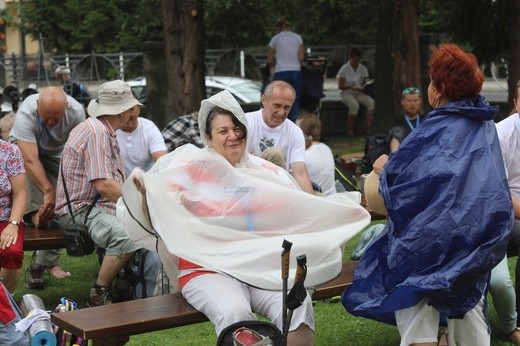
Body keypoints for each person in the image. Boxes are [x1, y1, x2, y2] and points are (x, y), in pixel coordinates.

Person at [118, 90, 371, 345]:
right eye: (223, 130)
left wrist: (337, 213)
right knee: (235, 315)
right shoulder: (191, 169)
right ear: (208, 137)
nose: (232, 136)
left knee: (298, 306)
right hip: (207, 269)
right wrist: (146, 196)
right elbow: (158, 202)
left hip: (261, 265)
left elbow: (298, 207)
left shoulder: (264, 171)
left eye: (237, 128)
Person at [342, 43, 512, 345]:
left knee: (416, 300)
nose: (428, 88)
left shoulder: (436, 129)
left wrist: (384, 168)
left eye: (431, 81)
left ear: (441, 87)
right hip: (473, 246)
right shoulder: (482, 123)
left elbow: (408, 186)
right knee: (468, 311)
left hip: (427, 246)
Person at [54, 80, 142, 307]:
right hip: (79, 210)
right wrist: (137, 207)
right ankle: (99, 292)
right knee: (128, 235)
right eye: (131, 109)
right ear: (122, 111)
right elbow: (103, 185)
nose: (134, 113)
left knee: (142, 227)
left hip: (90, 206)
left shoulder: (99, 128)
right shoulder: (97, 133)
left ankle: (127, 283)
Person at [10, 87, 85, 287]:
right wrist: (48, 190)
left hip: (57, 154)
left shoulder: (77, 113)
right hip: (24, 150)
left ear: (66, 109)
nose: (51, 122)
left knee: (61, 205)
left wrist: (59, 190)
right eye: (46, 117)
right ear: (37, 107)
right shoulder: (26, 112)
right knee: (37, 201)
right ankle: (37, 220)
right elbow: (29, 159)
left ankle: (44, 261)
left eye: (56, 118)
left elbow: (77, 152)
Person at [245, 80, 314, 194]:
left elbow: (300, 173)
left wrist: (314, 204)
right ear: (263, 100)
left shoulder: (295, 132)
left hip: (280, 189)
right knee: (276, 154)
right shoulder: (245, 123)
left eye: (286, 107)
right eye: (277, 106)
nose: (281, 113)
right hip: (250, 185)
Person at [492, 79, 520, 344]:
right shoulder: (502, 134)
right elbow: (496, 192)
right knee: (499, 281)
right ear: (516, 103)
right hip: (502, 216)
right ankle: (514, 321)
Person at [0, 139, 26, 293]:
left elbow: (20, 193)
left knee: (11, 251)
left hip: (6, 216)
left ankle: (6, 303)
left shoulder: (10, 150)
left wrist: (14, 224)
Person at [267, 17, 304, 123]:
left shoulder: (275, 39)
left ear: (278, 28)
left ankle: (279, 123)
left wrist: (275, 62)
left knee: (277, 99)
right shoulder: (297, 38)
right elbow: (301, 58)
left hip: (280, 72)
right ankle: (293, 124)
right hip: (295, 71)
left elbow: (269, 59)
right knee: (294, 99)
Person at [295, 112, 336, 196]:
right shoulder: (326, 148)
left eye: (296, 129)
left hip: (317, 200)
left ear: (304, 133)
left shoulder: (302, 155)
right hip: (332, 197)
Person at [336, 47, 375, 136]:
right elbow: (340, 86)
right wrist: (350, 86)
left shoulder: (362, 68)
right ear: (350, 58)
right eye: (354, 59)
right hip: (347, 92)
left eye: (357, 59)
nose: (355, 62)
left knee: (371, 103)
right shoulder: (344, 69)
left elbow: (366, 80)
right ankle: (350, 129)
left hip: (359, 92)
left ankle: (368, 127)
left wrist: (363, 86)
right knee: (354, 105)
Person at [388, 87, 423, 152]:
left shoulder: (426, 119)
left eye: (415, 100)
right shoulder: (396, 121)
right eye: (409, 101)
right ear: (402, 102)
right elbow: (395, 141)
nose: (412, 104)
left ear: (420, 101)